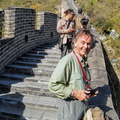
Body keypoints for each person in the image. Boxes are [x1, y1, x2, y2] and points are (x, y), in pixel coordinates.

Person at [48, 29, 98, 120]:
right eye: (82, 43)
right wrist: (75, 93)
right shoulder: (67, 61)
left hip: (80, 109)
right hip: (69, 111)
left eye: (88, 43)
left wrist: (87, 90)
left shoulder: (82, 60)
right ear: (75, 43)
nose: (85, 46)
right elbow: (53, 85)